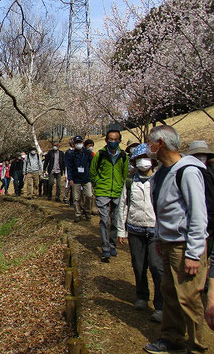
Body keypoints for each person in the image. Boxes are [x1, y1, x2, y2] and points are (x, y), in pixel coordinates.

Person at [143, 126, 208, 354]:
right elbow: (163, 210)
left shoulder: (187, 171)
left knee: (189, 297)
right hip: (168, 242)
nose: (148, 148)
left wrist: (194, 253)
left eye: (150, 143)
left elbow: (199, 216)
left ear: (160, 143)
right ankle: (172, 339)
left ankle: (198, 345)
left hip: (185, 245)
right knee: (170, 292)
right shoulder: (162, 172)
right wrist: (160, 237)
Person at [116, 143, 163, 324]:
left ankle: (160, 305)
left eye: (146, 158)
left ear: (153, 160)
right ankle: (142, 295)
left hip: (155, 229)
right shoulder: (130, 181)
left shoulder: (159, 180)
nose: (143, 162)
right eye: (139, 159)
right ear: (135, 162)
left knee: (157, 266)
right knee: (138, 264)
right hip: (135, 228)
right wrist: (122, 230)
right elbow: (123, 206)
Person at [89, 130, 129, 262]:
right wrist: (98, 185)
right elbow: (93, 171)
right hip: (103, 191)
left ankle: (112, 244)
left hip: (117, 192)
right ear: (106, 141)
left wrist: (119, 186)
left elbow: (124, 174)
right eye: (110, 139)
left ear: (119, 141)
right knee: (104, 219)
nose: (113, 142)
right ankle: (105, 247)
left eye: (115, 139)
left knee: (116, 220)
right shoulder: (100, 155)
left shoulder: (123, 156)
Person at [66, 135, 93, 223]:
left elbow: (92, 165)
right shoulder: (71, 154)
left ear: (83, 142)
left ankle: (87, 211)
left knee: (89, 195)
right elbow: (69, 167)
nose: (78, 144)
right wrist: (70, 179)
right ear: (74, 144)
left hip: (86, 178)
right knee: (76, 198)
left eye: (80, 142)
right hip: (76, 178)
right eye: (76, 143)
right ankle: (77, 214)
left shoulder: (87, 153)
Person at [63, 139, 75, 205]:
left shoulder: (77, 151)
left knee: (73, 187)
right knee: (67, 185)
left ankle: (72, 200)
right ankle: (65, 197)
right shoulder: (68, 152)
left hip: (75, 171)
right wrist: (66, 174)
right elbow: (66, 164)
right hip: (69, 170)